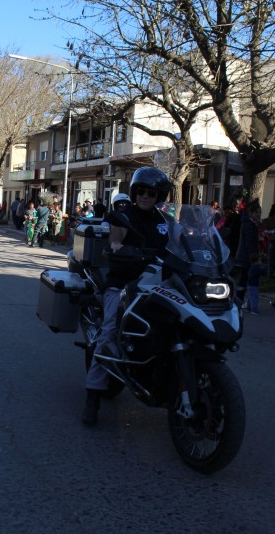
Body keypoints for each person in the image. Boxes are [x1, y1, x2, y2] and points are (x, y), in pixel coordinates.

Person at [82, 166, 171, 426]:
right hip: (124, 282)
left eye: (151, 193)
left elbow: (181, 242)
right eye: (141, 192)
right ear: (134, 193)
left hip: (158, 284)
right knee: (109, 332)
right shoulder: (123, 216)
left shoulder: (164, 221)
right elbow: (115, 238)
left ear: (159, 196)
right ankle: (93, 396)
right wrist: (117, 246)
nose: (145, 196)